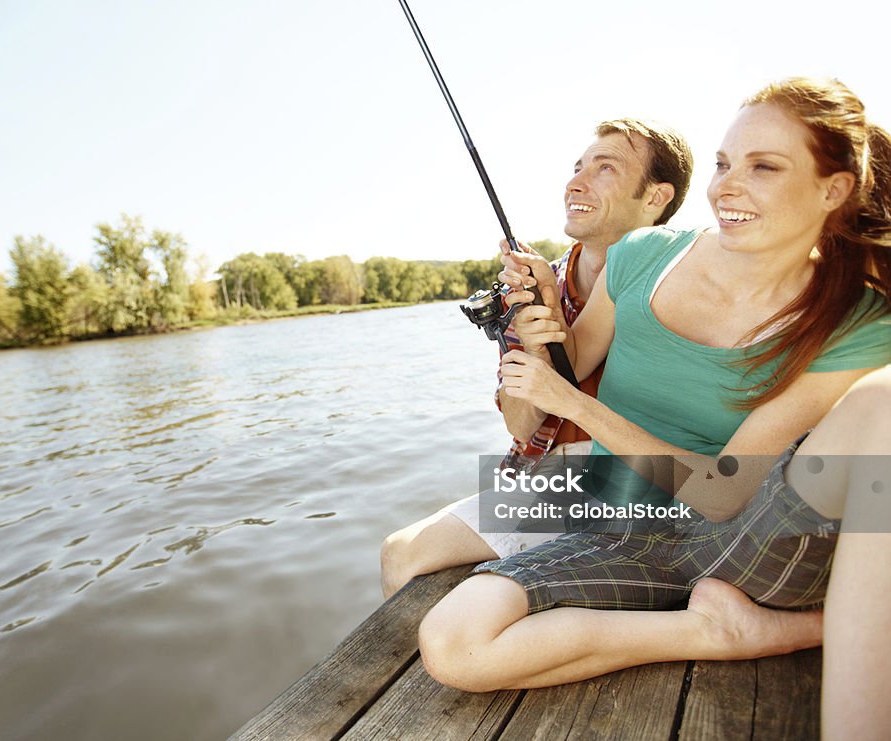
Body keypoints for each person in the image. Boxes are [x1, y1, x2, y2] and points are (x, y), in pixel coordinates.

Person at [416, 77, 891, 724]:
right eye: (724, 164)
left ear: (833, 190)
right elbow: (550, 389)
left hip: (740, 529)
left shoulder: (858, 319)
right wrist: (534, 331)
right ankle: (718, 630)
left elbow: (725, 493)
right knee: (450, 639)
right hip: (611, 514)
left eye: (765, 166)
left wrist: (576, 407)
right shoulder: (640, 256)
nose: (727, 186)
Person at [380, 118, 694, 598]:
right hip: (547, 476)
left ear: (655, 198)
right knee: (400, 554)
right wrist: (534, 345)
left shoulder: (685, 280)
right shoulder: (529, 287)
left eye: (605, 168)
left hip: (645, 481)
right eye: (577, 167)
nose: (575, 183)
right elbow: (521, 425)